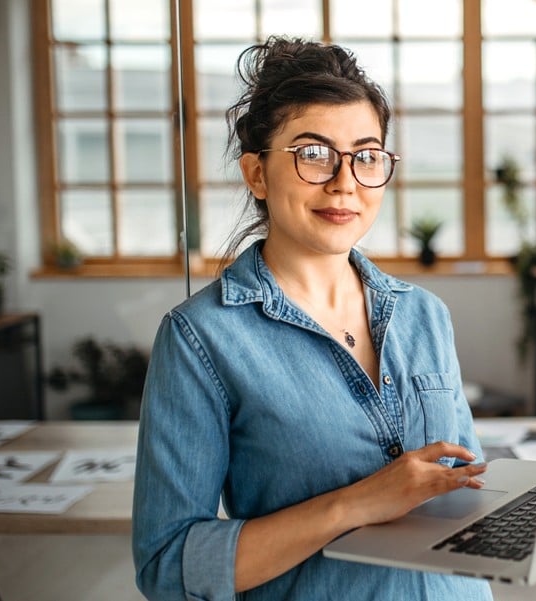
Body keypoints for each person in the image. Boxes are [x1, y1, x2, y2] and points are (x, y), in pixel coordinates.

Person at [132, 37, 491, 600]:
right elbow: (168, 563)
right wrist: (354, 504)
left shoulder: (424, 315)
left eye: (366, 155)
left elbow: (464, 480)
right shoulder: (201, 339)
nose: (345, 181)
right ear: (256, 175)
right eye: (313, 153)